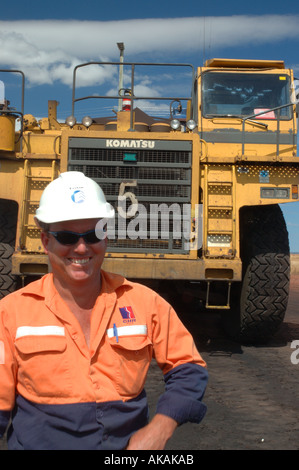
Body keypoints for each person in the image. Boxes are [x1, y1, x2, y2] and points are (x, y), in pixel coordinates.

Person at [0, 171, 208, 450]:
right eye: (66, 237)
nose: (82, 247)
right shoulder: (11, 313)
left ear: (106, 237)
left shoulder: (145, 303)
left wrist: (160, 428)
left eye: (93, 234)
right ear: (46, 241)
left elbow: (189, 367)